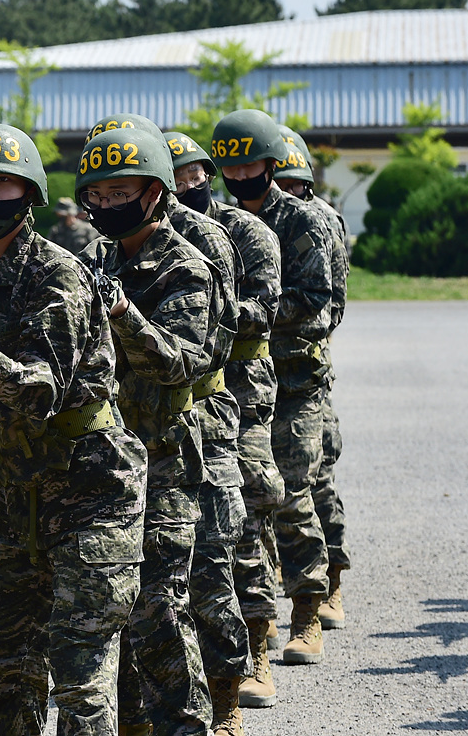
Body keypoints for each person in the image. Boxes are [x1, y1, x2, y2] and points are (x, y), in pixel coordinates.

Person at [0, 123, 146, 735]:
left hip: (93, 494)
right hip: (19, 499)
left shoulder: (58, 274)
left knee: (80, 676)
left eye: (2, 183)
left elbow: (42, 391)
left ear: (30, 193)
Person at [78, 114, 215, 736]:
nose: (107, 205)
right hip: (101, 457)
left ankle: (187, 725)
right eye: (98, 196)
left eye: (120, 193)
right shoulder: (88, 261)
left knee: (160, 606)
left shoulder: (185, 266)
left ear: (154, 193)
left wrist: (124, 314)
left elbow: (184, 361)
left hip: (163, 456)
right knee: (109, 603)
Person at [211, 109, 335, 667]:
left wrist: (240, 315)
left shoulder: (303, 220)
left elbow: (315, 300)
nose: (240, 177)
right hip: (240, 381)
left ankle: (309, 607)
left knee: (293, 490)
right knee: (248, 500)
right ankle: (255, 625)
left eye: (250, 165)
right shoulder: (220, 225)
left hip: (295, 379)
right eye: (229, 168)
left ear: (271, 163)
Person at [170, 133, 287, 712]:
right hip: (168, 395)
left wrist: (192, 310)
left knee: (243, 510)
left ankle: (258, 645)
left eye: (195, 172)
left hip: (237, 386)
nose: (187, 183)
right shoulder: (123, 241)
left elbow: (264, 311)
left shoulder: (243, 234)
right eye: (174, 173)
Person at [165, 131, 254, 734]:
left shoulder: (209, 240)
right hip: (134, 432)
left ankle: (226, 698)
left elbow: (207, 342)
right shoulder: (98, 250)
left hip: (201, 418)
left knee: (210, 563)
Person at [275, 127, 351, 632]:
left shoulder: (318, 220)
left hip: (304, 368)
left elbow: (331, 302)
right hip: (258, 371)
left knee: (310, 476)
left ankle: (331, 581)